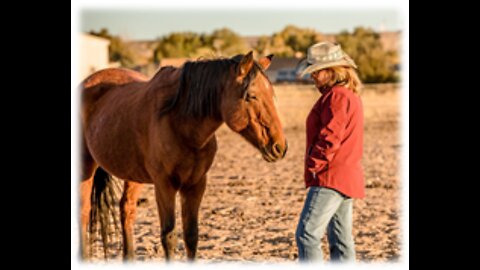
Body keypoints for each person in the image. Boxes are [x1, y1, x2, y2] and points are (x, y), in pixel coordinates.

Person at [295, 41, 364, 263]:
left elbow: (329, 138)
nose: (313, 76)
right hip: (345, 177)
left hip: (330, 177)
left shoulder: (337, 97)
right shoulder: (346, 95)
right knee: (341, 242)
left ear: (332, 70)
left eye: (317, 71)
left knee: (307, 234)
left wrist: (314, 165)